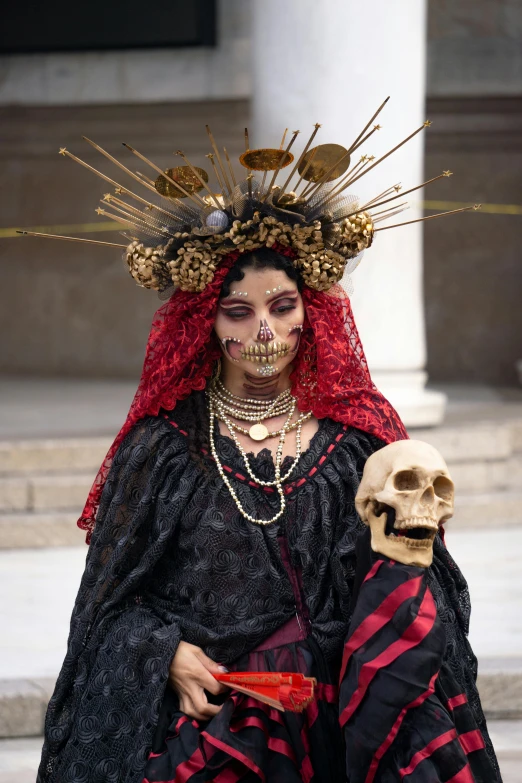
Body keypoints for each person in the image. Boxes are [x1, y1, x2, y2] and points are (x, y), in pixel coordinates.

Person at [33, 116, 499, 782]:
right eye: (238, 311)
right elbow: (105, 609)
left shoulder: (358, 443)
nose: (264, 332)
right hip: (214, 728)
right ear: (203, 320)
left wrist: (404, 559)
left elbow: (427, 598)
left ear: (311, 311)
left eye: (282, 307)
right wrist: (163, 649)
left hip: (349, 729)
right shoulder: (164, 449)